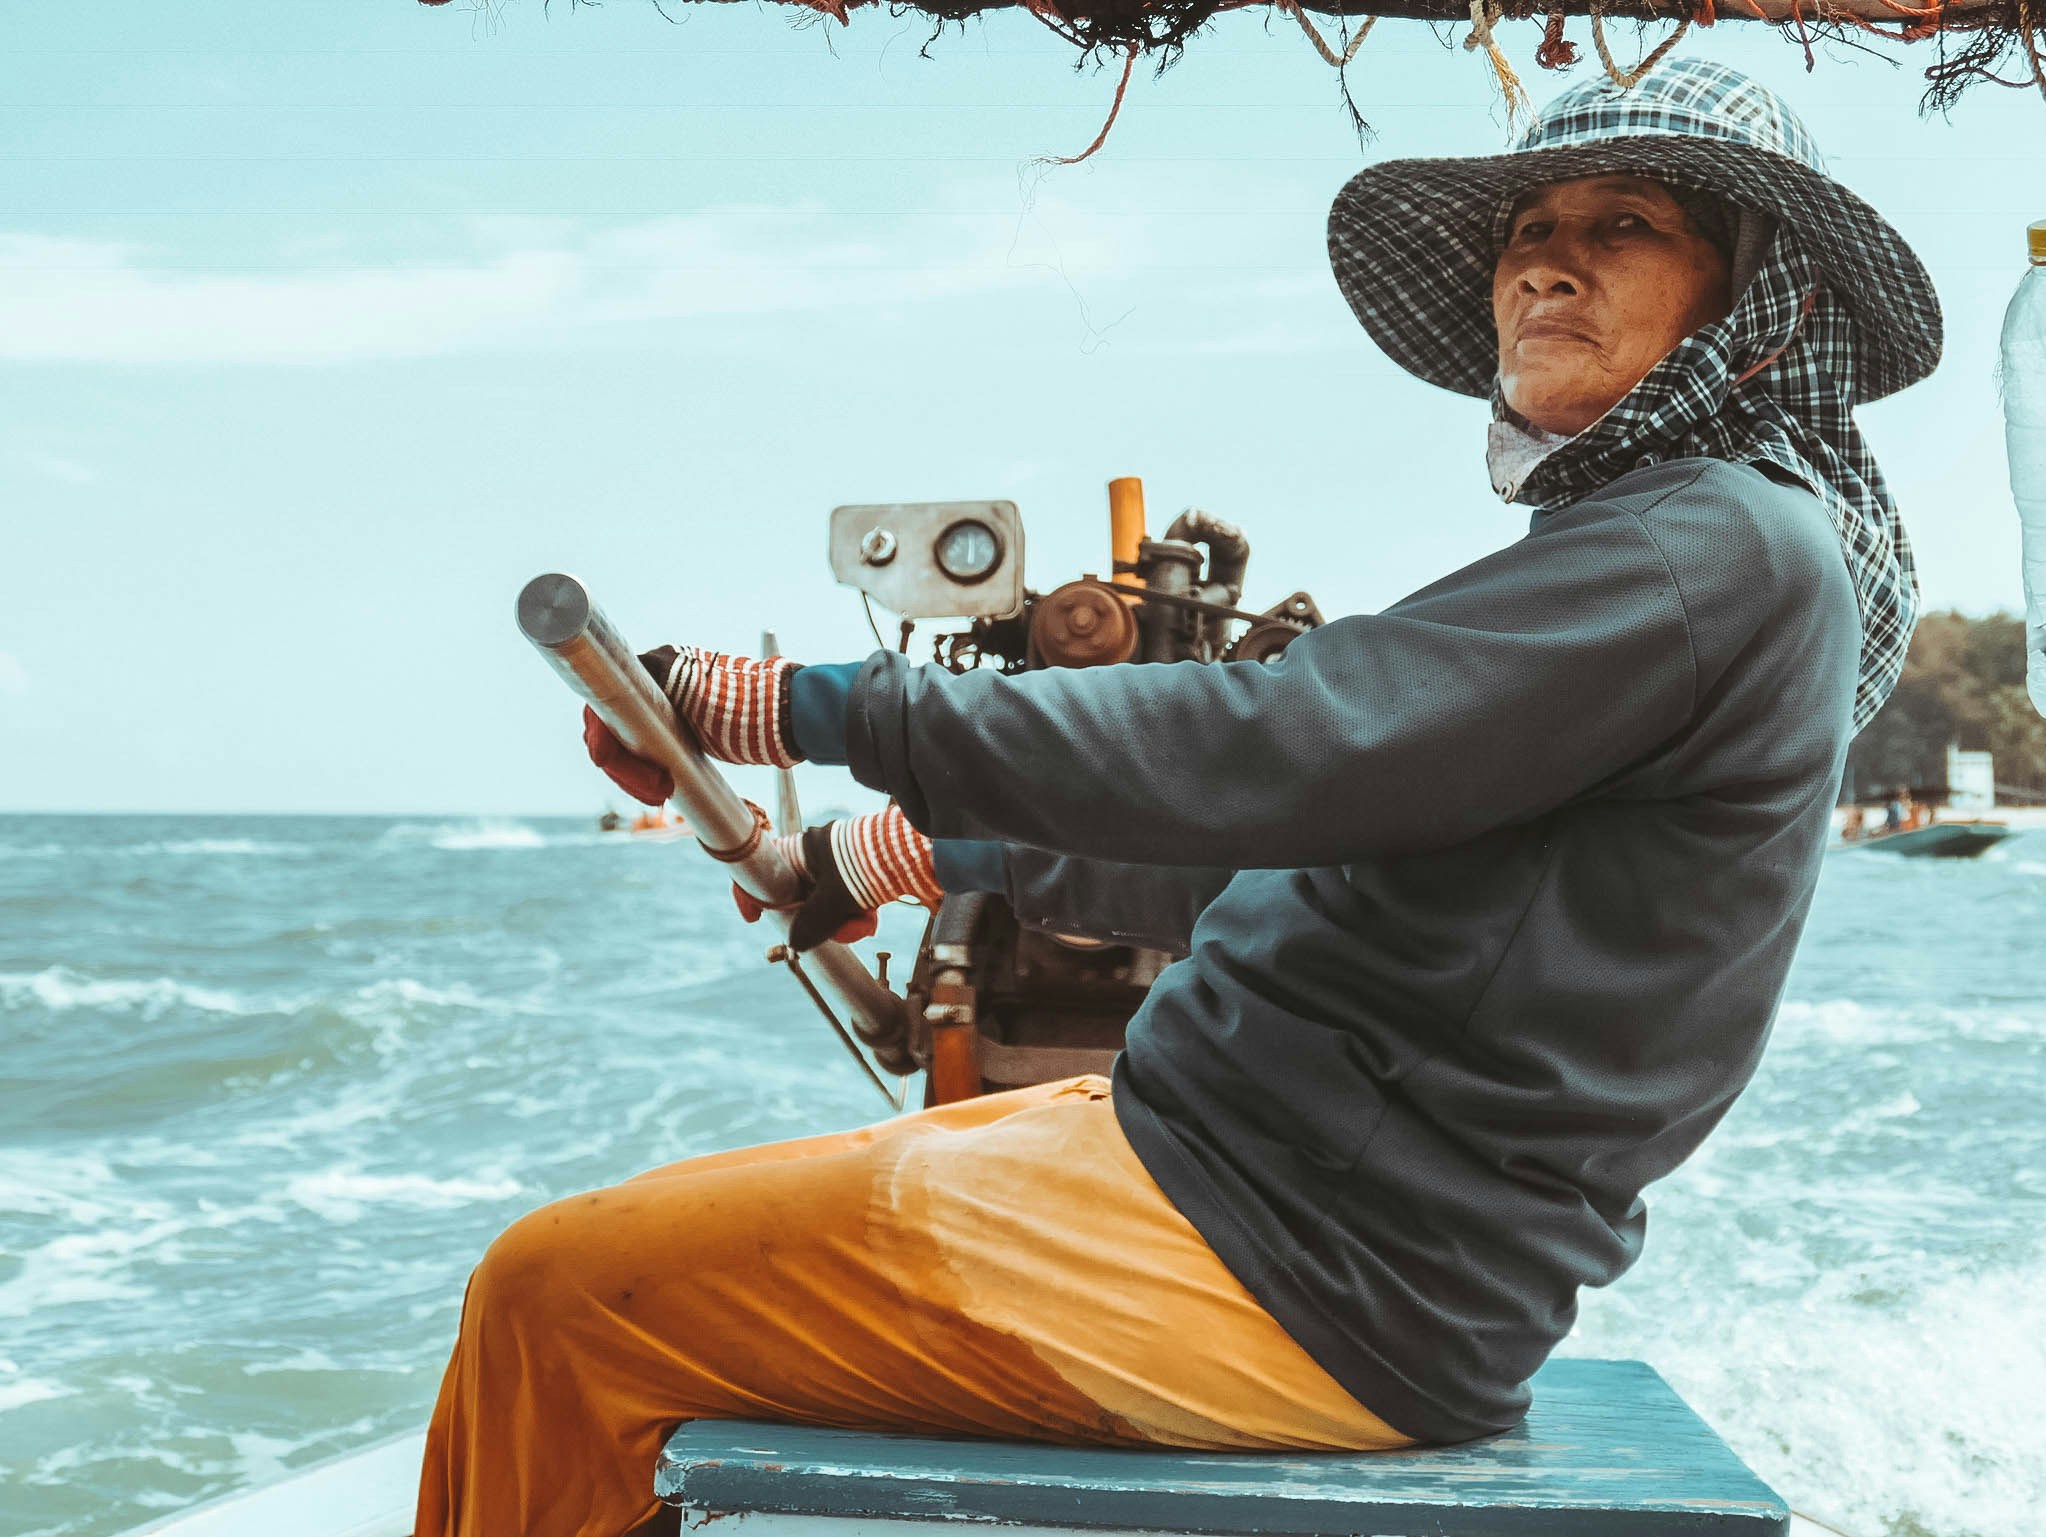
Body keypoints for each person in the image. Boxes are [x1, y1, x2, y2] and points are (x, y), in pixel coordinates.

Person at [414, 57, 1935, 1537]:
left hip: (1287, 1266)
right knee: (630, 1245)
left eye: (1623, 227)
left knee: (549, 1294)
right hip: (1241, 1184)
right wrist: (915, 851)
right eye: (1529, 232)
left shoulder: (1707, 550)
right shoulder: (1678, 542)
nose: (1546, 266)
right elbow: (1312, 871)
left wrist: (798, 703)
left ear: (1750, 294)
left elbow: (1280, 742)